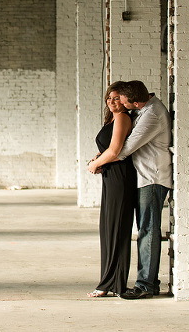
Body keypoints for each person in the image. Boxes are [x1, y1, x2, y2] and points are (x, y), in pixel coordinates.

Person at [114, 80, 172, 299]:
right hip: (146, 178)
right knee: (146, 230)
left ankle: (146, 285)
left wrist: (103, 159)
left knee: (148, 230)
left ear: (136, 102)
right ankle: (149, 281)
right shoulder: (145, 109)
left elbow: (127, 148)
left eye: (126, 104)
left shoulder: (152, 115)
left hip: (153, 179)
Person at [85, 81, 138, 298]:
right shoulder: (113, 119)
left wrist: (95, 164)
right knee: (109, 229)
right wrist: (99, 160)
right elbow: (109, 150)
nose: (112, 101)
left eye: (117, 98)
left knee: (116, 229)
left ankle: (111, 283)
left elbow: (115, 150)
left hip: (120, 178)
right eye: (109, 98)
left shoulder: (123, 118)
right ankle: (112, 282)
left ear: (125, 101)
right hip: (112, 177)